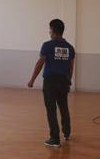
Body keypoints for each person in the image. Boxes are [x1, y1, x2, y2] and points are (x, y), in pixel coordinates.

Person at [28, 19, 75, 148]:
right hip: (64, 81)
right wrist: (69, 80)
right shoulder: (70, 47)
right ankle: (67, 133)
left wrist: (32, 80)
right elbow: (71, 67)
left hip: (50, 81)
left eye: (50, 30)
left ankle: (55, 139)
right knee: (64, 107)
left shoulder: (47, 45)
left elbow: (40, 63)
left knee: (51, 109)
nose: (49, 32)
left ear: (53, 31)